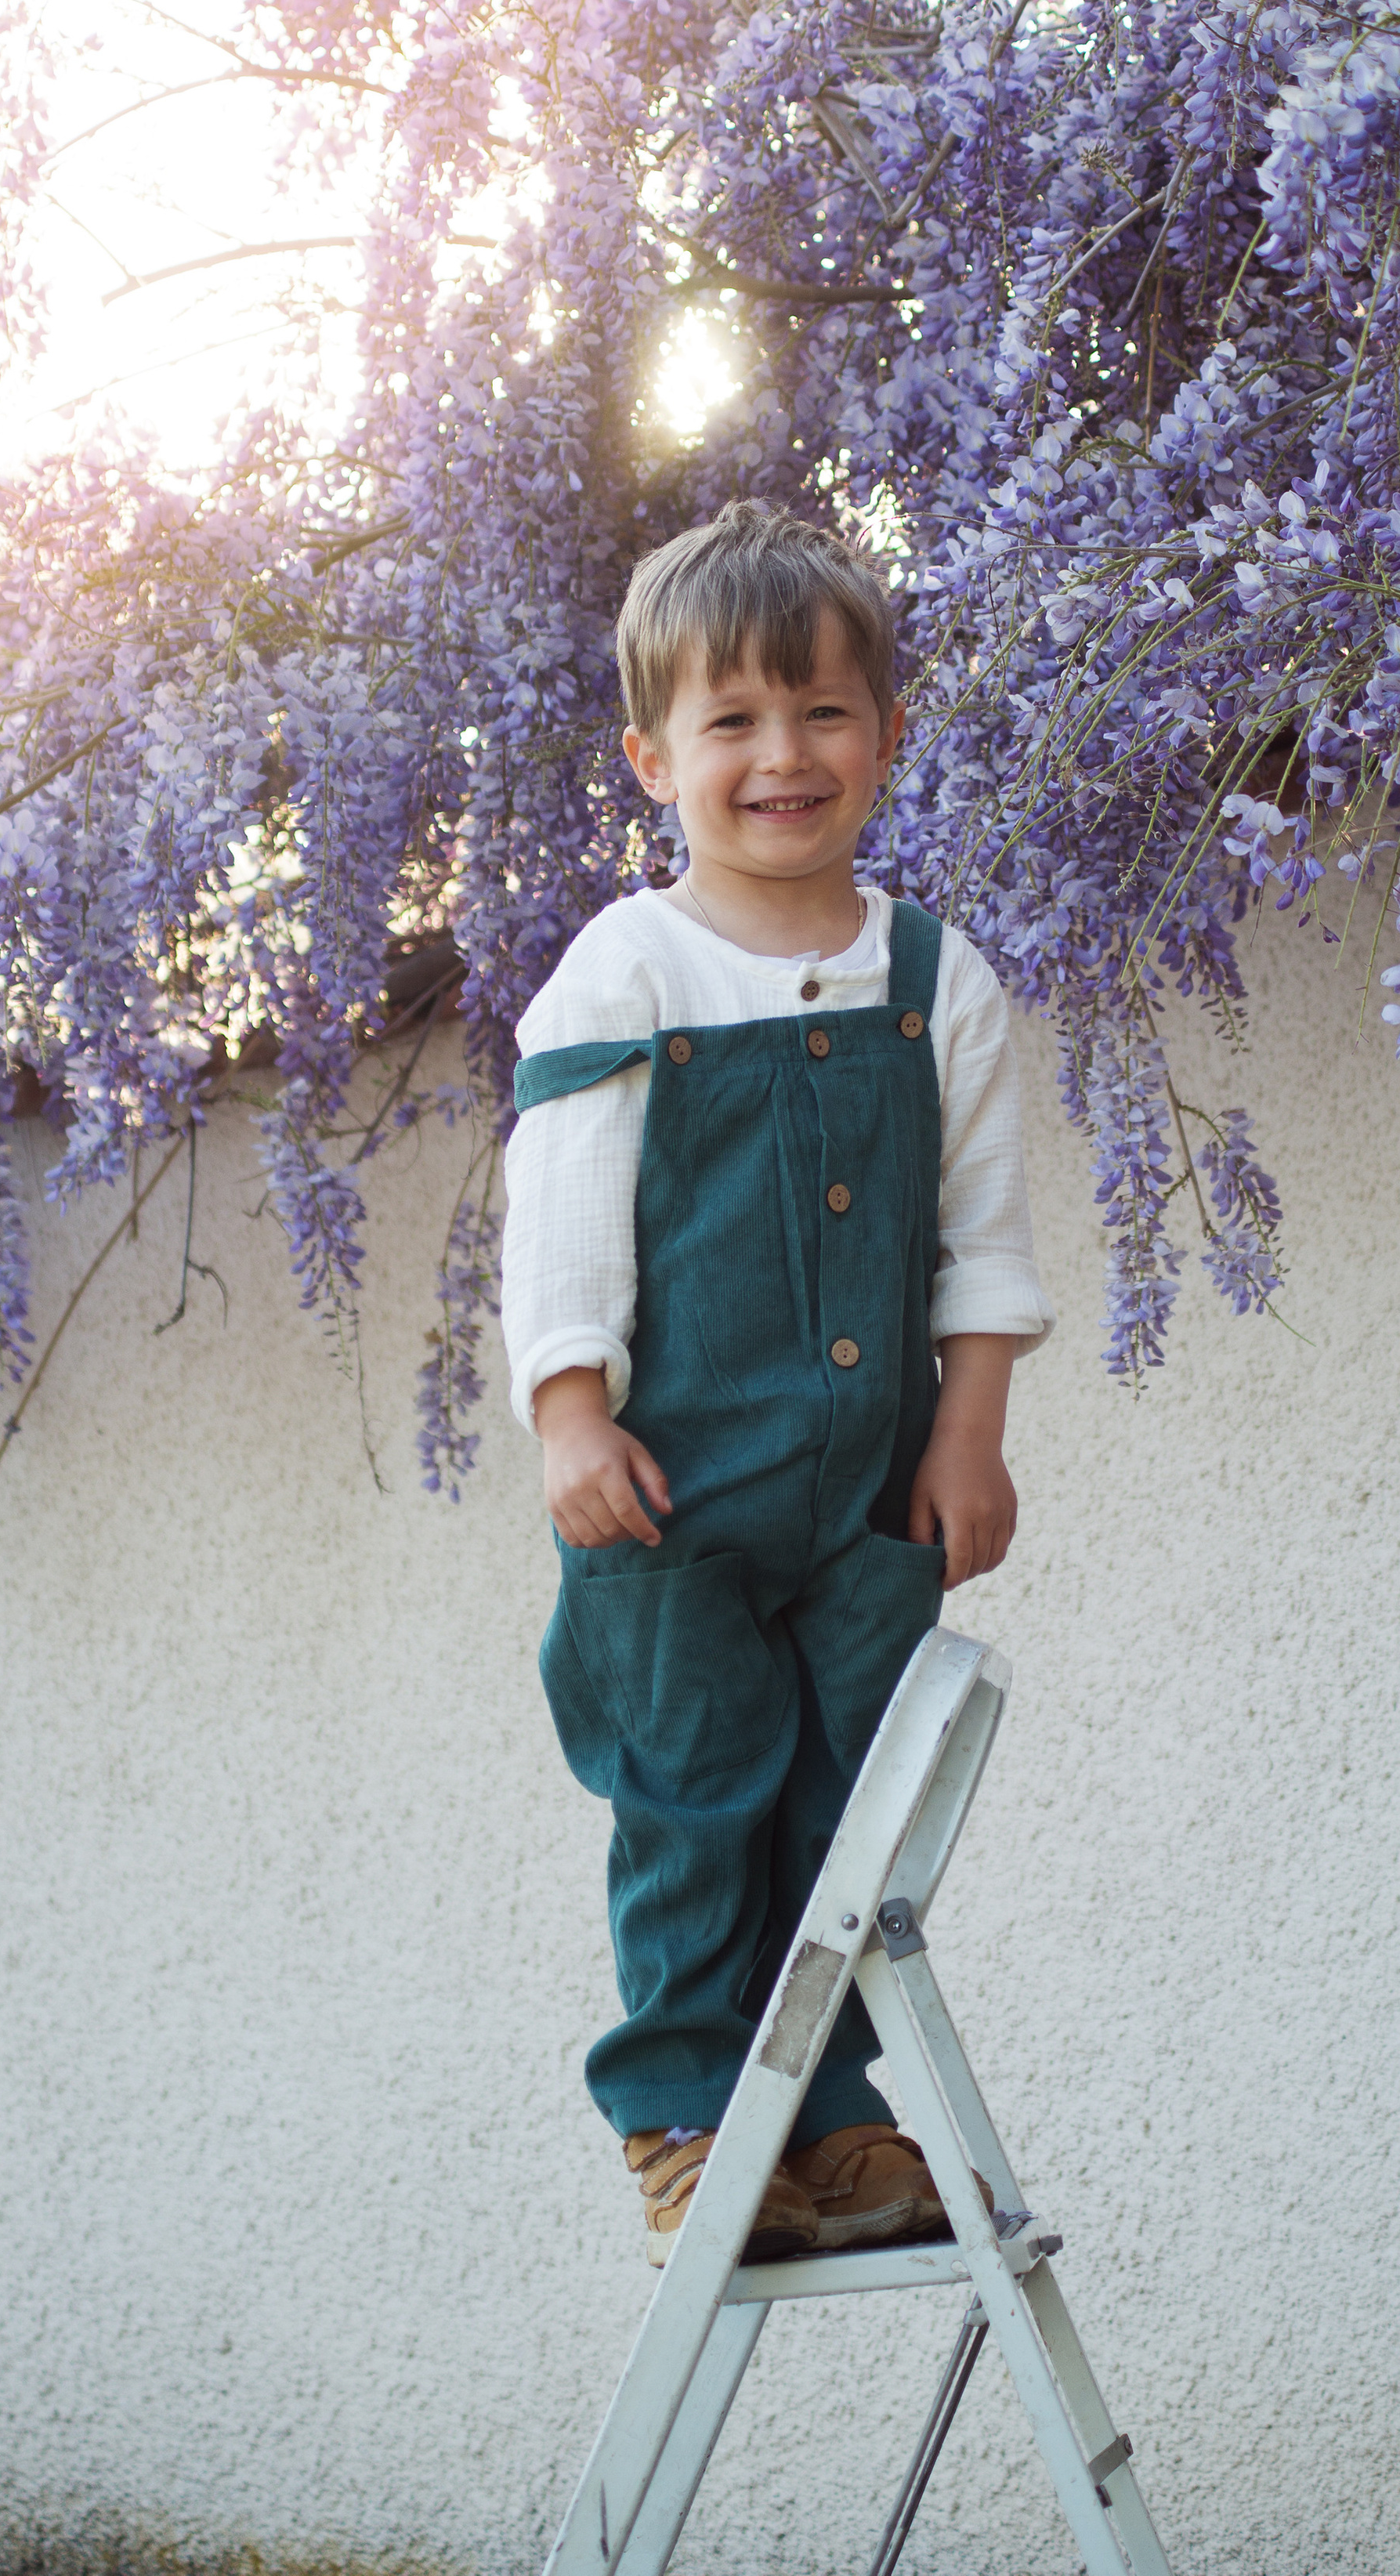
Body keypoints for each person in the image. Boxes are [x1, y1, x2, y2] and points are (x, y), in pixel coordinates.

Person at [501, 500, 1053, 2265]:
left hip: (867, 1499)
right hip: (667, 1500)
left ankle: (823, 2125)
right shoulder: (627, 967)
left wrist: (968, 1432)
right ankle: (679, 2121)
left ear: (883, 735)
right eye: (729, 720)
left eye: (820, 712)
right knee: (692, 1796)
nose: (780, 756)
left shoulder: (931, 972)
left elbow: (978, 1231)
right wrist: (566, 1411)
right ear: (651, 753)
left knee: (845, 1806)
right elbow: (567, 1220)